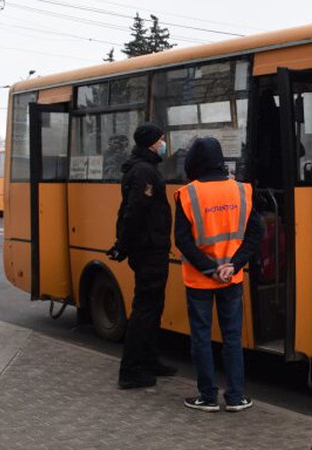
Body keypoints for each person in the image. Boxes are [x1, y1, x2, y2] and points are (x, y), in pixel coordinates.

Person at [174, 136, 263, 413]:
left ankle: (207, 397)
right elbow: (255, 234)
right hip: (231, 278)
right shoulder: (242, 190)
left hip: (200, 279)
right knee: (232, 337)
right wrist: (233, 265)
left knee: (201, 337)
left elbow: (183, 240)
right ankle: (235, 397)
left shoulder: (187, 194)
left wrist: (210, 269)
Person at [107, 122, 176, 389]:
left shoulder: (143, 167)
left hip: (150, 247)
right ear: (151, 143)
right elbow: (134, 211)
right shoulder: (144, 171)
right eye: (161, 139)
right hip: (148, 249)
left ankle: (149, 359)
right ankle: (131, 370)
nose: (163, 143)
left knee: (153, 306)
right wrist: (124, 245)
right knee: (145, 308)